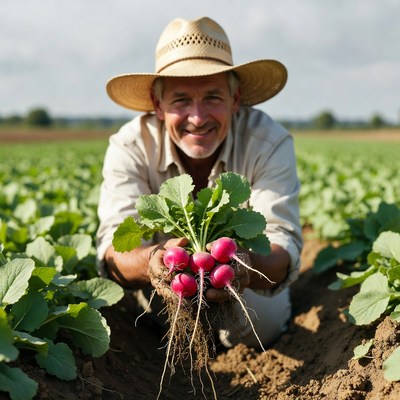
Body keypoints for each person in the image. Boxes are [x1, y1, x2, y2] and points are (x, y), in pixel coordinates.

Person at [96, 16, 303, 349]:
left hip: (239, 282)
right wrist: (153, 262)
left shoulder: (269, 142)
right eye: (180, 100)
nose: (197, 117)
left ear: (235, 101)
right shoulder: (130, 146)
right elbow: (113, 248)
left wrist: (243, 267)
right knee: (154, 320)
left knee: (263, 325)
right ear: (157, 104)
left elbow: (283, 245)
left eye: (213, 97)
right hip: (168, 285)